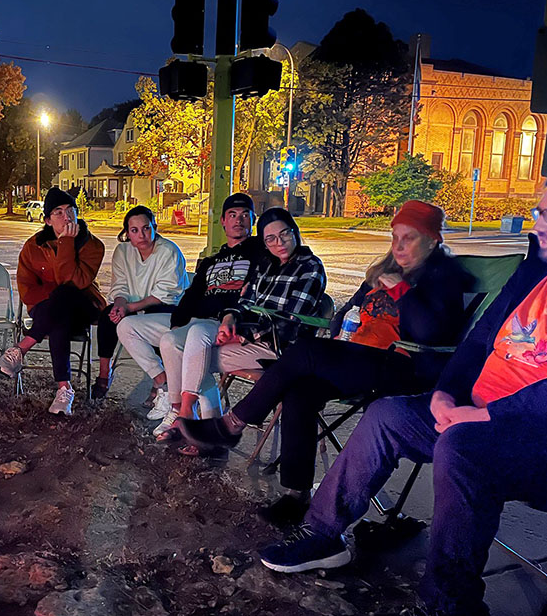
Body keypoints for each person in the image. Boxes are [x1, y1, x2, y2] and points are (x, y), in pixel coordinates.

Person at [251, 161, 547, 616]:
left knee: (463, 445)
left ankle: (456, 612)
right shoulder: (538, 269)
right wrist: (447, 390)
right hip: (477, 412)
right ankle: (323, 535)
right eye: (537, 212)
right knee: (387, 416)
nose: (537, 224)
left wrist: (485, 416)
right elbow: (479, 338)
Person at [180, 200, 469, 524]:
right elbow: (342, 316)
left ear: (432, 240)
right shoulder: (385, 269)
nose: (398, 246)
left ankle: (232, 424)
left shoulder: (443, 275)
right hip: (359, 357)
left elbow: (432, 333)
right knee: (299, 391)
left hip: (402, 366)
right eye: (394, 237)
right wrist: (345, 327)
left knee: (303, 351)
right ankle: (295, 495)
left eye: (409, 238)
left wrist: (400, 290)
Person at [150, 192, 265, 440]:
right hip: (205, 323)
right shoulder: (212, 261)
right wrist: (177, 323)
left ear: (253, 220)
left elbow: (253, 293)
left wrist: (229, 315)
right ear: (223, 221)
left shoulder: (261, 254)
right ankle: (179, 411)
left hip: (234, 324)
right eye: (233, 215)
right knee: (171, 341)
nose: (239, 220)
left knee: (197, 336)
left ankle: (187, 413)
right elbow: (192, 295)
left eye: (245, 215)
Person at [0, 187, 105, 416]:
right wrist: (54, 294)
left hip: (83, 307)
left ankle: (19, 351)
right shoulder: (34, 246)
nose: (67, 217)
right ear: (48, 220)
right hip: (48, 311)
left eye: (71, 210)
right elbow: (27, 291)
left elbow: (75, 282)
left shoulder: (92, 245)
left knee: (66, 294)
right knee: (58, 315)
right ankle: (64, 389)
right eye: (59, 212)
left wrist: (66, 243)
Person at [213, 207, 326, 377]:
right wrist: (233, 317)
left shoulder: (310, 266)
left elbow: (289, 321)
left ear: (295, 232)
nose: (279, 243)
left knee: (201, 357)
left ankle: (186, 403)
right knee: (195, 347)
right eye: (270, 239)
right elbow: (247, 301)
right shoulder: (266, 264)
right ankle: (191, 403)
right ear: (264, 243)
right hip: (254, 338)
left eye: (285, 234)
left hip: (282, 347)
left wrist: (243, 336)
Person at [96, 205, 188, 399]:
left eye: (146, 228)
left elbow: (166, 293)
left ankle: (161, 379)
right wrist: (120, 305)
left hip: (167, 305)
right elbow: (120, 285)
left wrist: (129, 307)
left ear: (154, 227)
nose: (141, 235)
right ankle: (104, 372)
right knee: (108, 316)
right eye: (134, 230)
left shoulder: (168, 251)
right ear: (127, 233)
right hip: (132, 304)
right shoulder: (123, 251)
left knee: (154, 318)